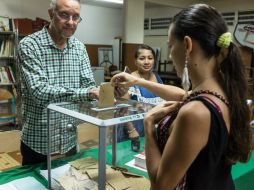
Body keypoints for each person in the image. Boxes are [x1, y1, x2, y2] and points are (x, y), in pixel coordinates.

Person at [112, 4, 251, 189]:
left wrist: (149, 124)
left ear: (187, 45)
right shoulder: (222, 92)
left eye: (171, 46)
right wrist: (136, 81)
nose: (170, 56)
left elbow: (162, 185)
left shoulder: (194, 113)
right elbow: (183, 95)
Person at [18, 0, 100, 165]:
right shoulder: (29, 45)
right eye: (64, 15)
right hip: (39, 142)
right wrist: (86, 93)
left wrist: (106, 90)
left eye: (76, 17)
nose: (71, 22)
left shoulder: (79, 48)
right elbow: (40, 93)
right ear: (51, 14)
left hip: (69, 139)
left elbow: (88, 85)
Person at [118, 44, 164, 143]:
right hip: (134, 131)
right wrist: (131, 130)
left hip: (151, 129)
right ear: (135, 61)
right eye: (142, 58)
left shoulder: (158, 78)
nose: (146, 62)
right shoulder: (129, 79)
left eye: (150, 58)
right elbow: (123, 109)